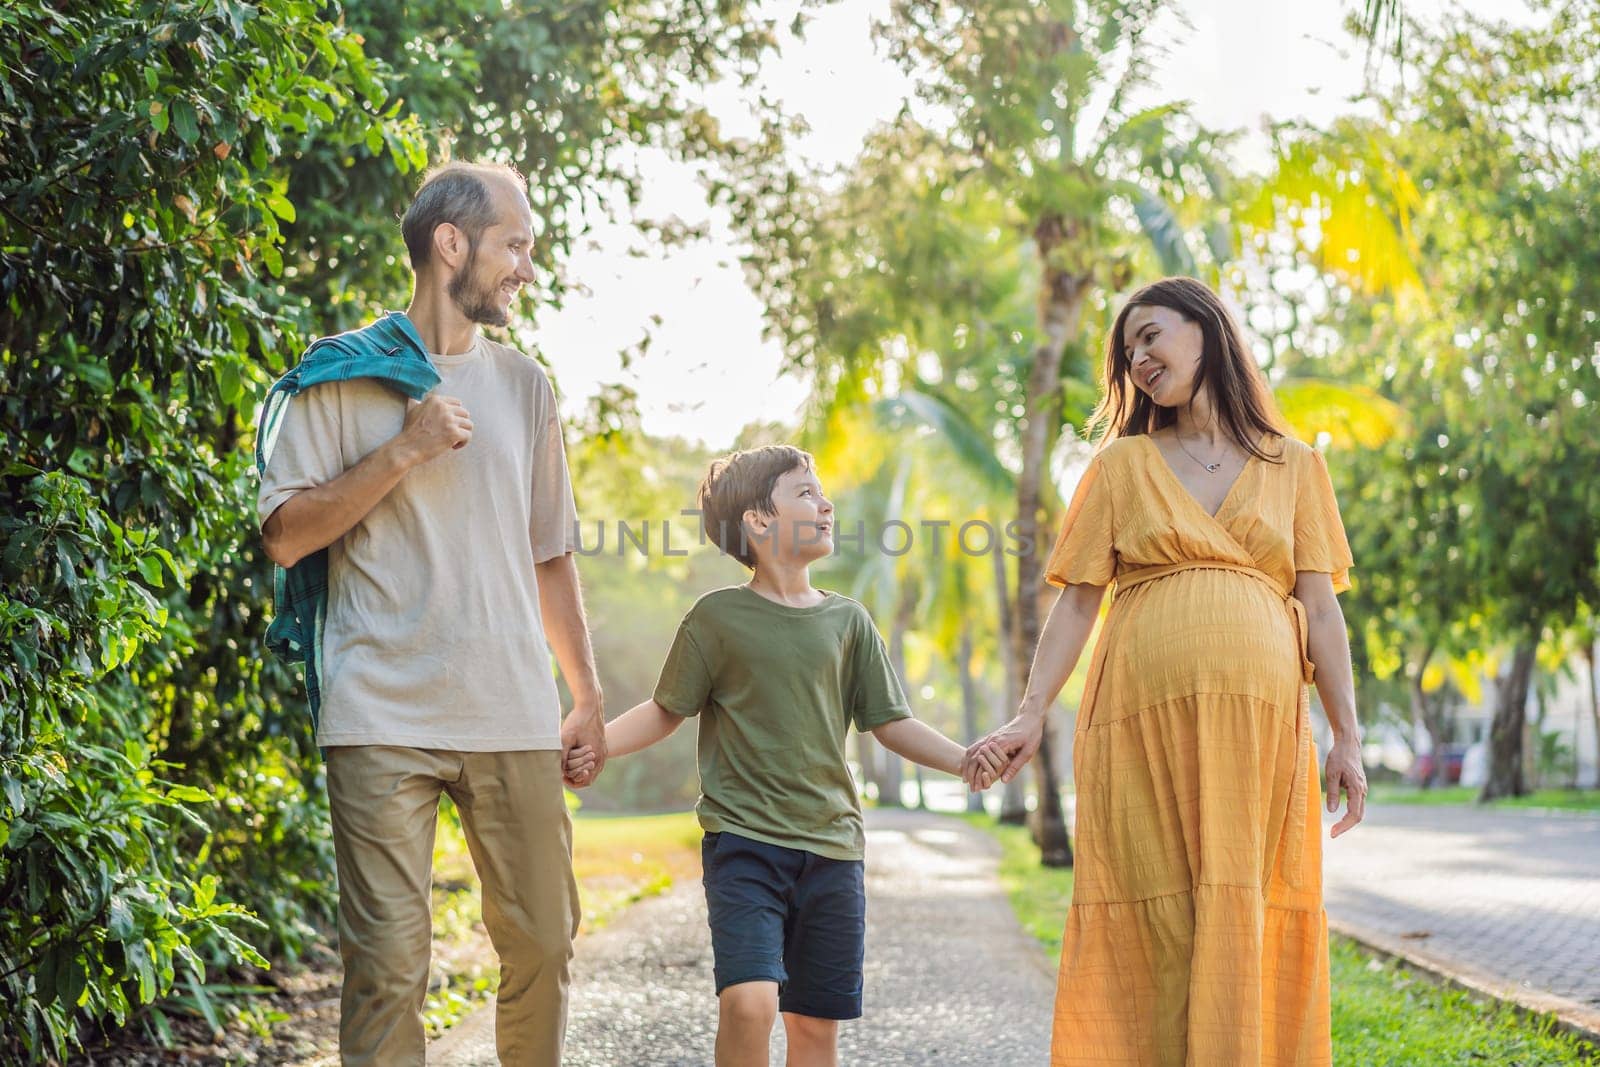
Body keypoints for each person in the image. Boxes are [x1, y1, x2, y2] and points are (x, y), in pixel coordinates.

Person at [966, 276, 1366, 1066]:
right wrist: (1029, 711)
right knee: (1156, 916)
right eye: (1127, 352)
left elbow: (1322, 612)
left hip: (1261, 735)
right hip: (1139, 729)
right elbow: (1078, 605)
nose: (1139, 359)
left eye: (1150, 336)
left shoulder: (1296, 466)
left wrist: (1347, 737)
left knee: (1247, 905)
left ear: (1206, 327)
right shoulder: (1120, 466)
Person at [257, 161, 604, 1067]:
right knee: (389, 964)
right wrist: (405, 449)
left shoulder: (527, 386)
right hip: (381, 711)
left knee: (543, 943)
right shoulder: (337, 377)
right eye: (515, 245)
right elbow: (286, 536)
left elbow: (550, 553)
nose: (528, 266)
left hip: (511, 709)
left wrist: (587, 695)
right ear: (451, 243)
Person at [568, 445, 1003, 1067]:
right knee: (749, 1003)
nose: (825, 503)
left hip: (832, 849)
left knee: (814, 1028)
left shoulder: (848, 622)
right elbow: (667, 709)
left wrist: (964, 760)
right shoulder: (716, 618)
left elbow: (891, 722)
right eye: (805, 492)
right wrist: (598, 744)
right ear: (758, 520)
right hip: (743, 843)